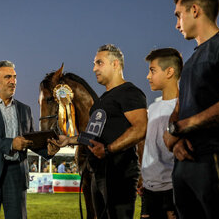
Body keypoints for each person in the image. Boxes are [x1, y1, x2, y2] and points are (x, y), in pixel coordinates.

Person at [163, 0, 219, 218]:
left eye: (179, 15)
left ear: (194, 10)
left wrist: (180, 128)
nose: (176, 24)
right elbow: (177, 112)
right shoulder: (189, 62)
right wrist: (175, 143)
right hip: (184, 165)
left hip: (217, 164)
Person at [52, 44, 147, 219]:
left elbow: (141, 128)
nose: (94, 68)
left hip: (119, 173)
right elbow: (91, 136)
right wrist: (68, 140)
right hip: (98, 174)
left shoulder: (130, 92)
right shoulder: (102, 100)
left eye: (99, 63)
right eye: (94, 63)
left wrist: (108, 149)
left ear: (115, 64)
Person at [0, 60, 59, 219]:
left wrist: (47, 151)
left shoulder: (25, 109)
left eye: (15, 77)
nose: (13, 81)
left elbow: (30, 139)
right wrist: (10, 144)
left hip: (16, 174)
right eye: (8, 77)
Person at [140, 48, 183, 219]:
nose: (148, 77)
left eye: (152, 70)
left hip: (173, 190)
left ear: (170, 72)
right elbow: (151, 148)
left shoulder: (182, 107)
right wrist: (146, 177)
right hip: (149, 190)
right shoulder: (153, 107)